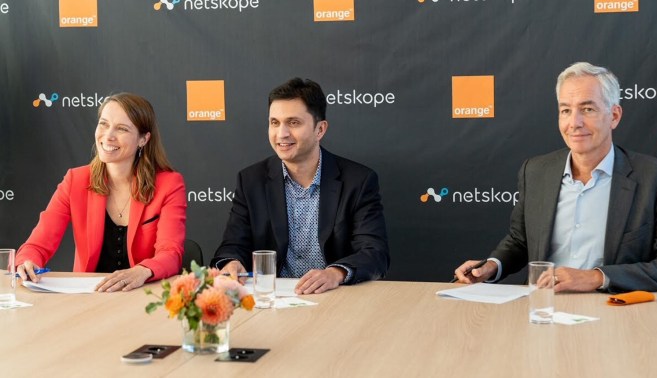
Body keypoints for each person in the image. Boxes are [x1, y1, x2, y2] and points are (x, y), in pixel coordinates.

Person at [455, 62, 657, 293]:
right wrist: (491, 266)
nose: (574, 123)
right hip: (544, 306)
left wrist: (596, 277)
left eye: (587, 109)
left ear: (614, 116)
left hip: (614, 309)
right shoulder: (535, 171)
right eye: (566, 110)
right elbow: (521, 241)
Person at [211, 77, 389, 294]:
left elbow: (374, 252)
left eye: (293, 123)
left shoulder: (358, 181)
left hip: (335, 296)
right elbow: (232, 246)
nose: (281, 134)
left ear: (320, 129)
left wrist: (336, 273)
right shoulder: (251, 180)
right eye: (274, 123)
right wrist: (232, 263)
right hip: (274, 298)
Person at [16, 93, 186, 292]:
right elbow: (37, 245)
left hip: (142, 295)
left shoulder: (169, 184)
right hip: (89, 298)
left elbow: (171, 253)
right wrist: (27, 262)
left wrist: (143, 271)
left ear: (143, 139)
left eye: (122, 129)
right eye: (104, 124)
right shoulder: (75, 180)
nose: (108, 136)